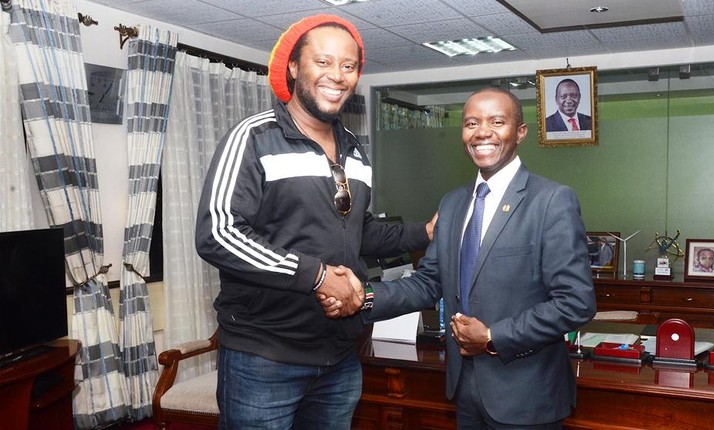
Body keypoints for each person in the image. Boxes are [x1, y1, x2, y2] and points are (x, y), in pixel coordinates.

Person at [194, 14, 434, 430]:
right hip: (264, 357)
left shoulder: (354, 151)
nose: (337, 76)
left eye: (348, 66)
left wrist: (423, 233)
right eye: (323, 62)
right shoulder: (254, 137)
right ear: (293, 67)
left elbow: (359, 231)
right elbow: (219, 233)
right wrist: (318, 276)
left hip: (340, 356)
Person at [323, 87, 596, 429]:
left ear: (520, 132)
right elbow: (427, 283)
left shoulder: (552, 201)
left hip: (527, 395)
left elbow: (576, 302)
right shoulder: (453, 204)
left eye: (497, 121)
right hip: (464, 388)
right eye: (471, 123)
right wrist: (362, 296)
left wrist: (494, 336)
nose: (483, 132)